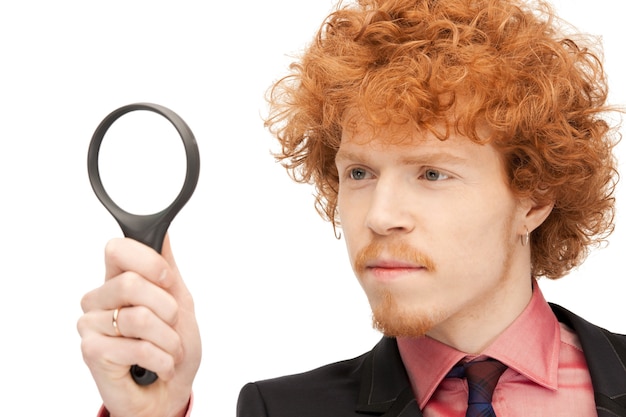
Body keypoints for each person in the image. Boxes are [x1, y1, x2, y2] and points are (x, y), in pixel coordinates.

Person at [78, 0, 626, 416]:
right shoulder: (281, 411)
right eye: (359, 173)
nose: (379, 215)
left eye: (432, 173)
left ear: (534, 199)